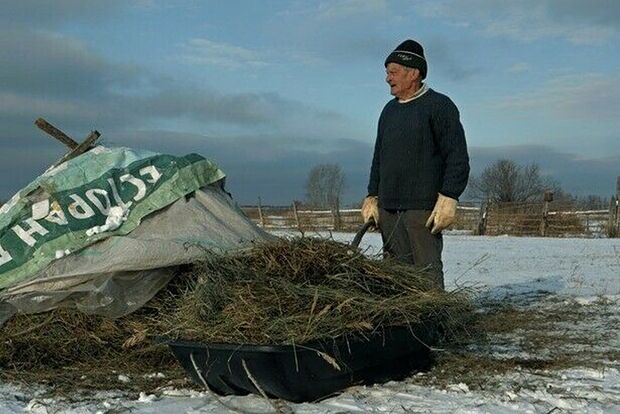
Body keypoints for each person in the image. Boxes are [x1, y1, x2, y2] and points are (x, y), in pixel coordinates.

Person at [361, 39, 470, 289]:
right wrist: (372, 195)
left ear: (414, 73)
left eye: (393, 72)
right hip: (388, 209)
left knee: (426, 274)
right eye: (387, 72)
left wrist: (449, 196)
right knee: (394, 276)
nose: (388, 78)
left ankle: (434, 325)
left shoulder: (439, 106)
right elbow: (379, 157)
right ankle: (400, 326)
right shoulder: (389, 111)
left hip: (422, 210)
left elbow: (457, 156)